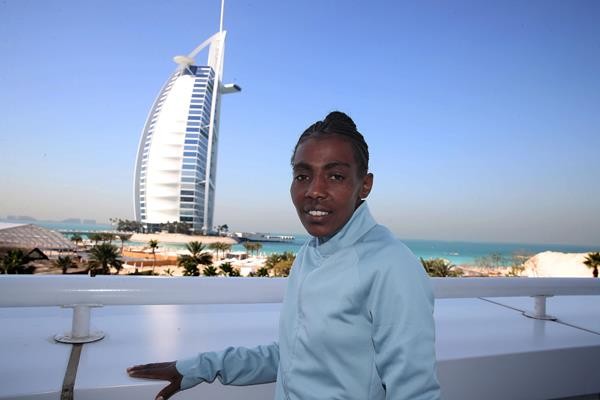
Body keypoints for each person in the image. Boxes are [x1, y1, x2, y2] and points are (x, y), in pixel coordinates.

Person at [127, 111, 441, 399]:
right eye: (303, 176)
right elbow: (293, 357)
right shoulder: (309, 254)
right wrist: (198, 367)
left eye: (335, 176)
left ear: (365, 185)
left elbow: (416, 393)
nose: (314, 190)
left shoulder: (391, 266)